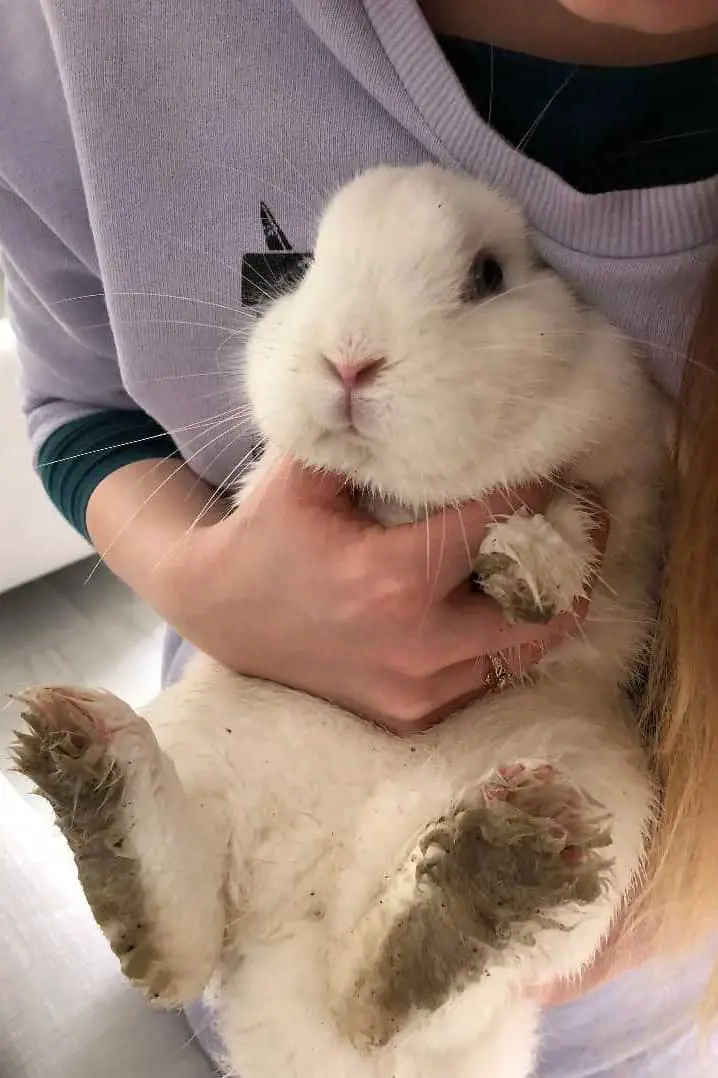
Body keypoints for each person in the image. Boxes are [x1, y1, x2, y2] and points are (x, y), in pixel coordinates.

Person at [0, 0, 717, 1074]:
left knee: (573, 805)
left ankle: (435, 943)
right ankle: (172, 880)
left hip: (618, 988)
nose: (350, 358)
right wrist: (207, 581)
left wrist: (539, 556)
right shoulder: (77, 38)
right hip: (269, 737)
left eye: (474, 282)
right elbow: (77, 401)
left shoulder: (588, 398)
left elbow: (591, 533)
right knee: (199, 735)